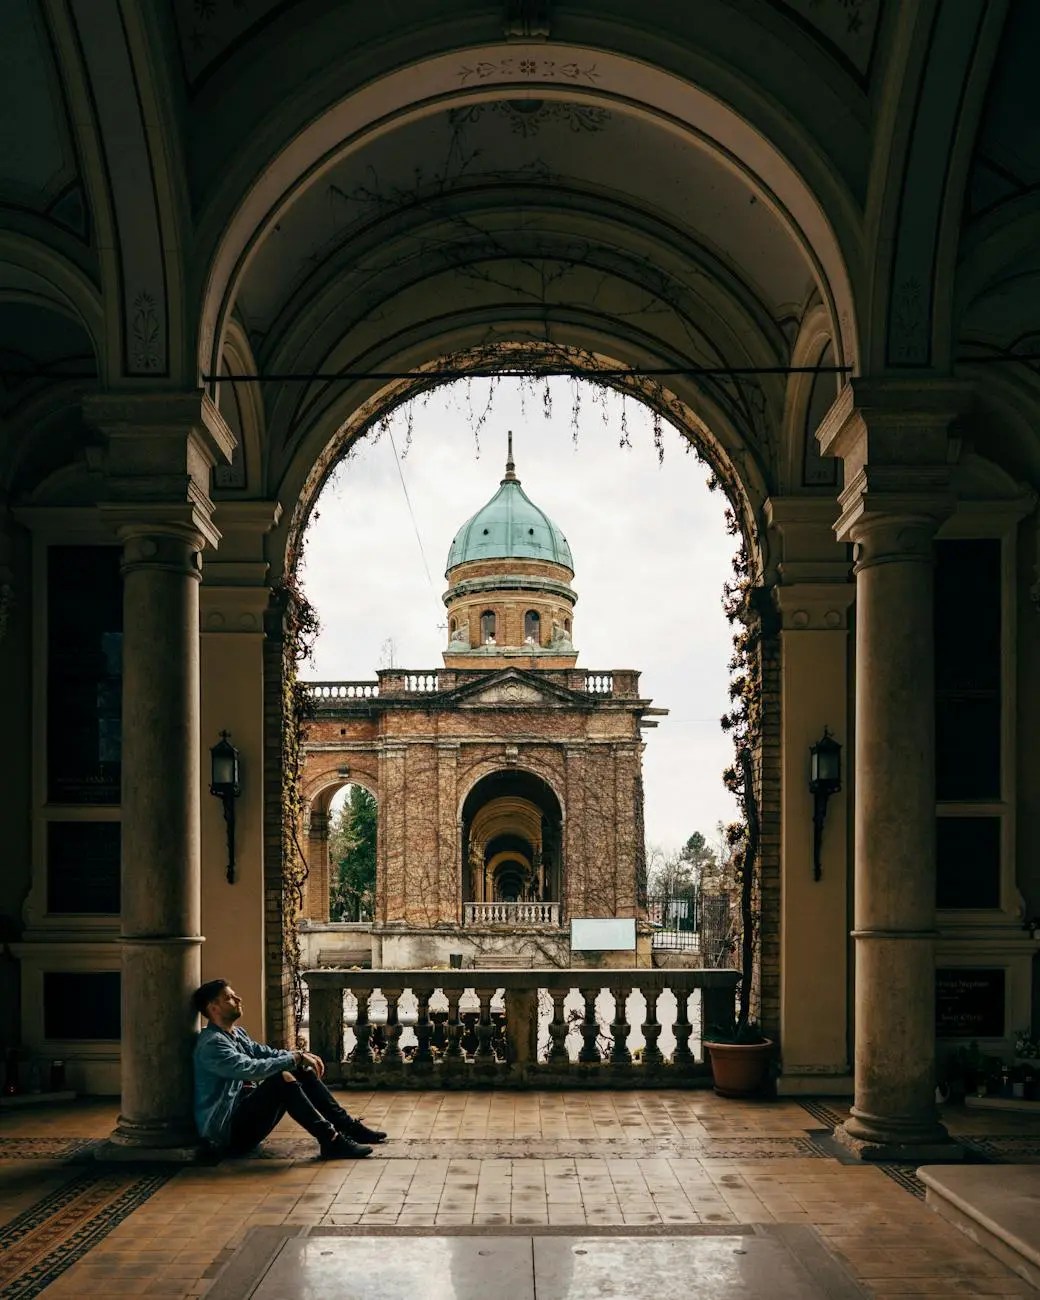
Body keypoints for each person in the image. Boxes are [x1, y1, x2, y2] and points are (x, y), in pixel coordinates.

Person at [192, 978, 386, 1159]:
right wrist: (295, 1058)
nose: (238, 999)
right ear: (213, 1008)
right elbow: (251, 1069)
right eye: (229, 998)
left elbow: (264, 1053)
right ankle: (331, 1140)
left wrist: (299, 1057)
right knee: (280, 1081)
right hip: (226, 1134)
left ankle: (348, 1127)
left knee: (298, 1071)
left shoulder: (236, 1033)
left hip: (243, 1117)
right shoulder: (212, 1044)